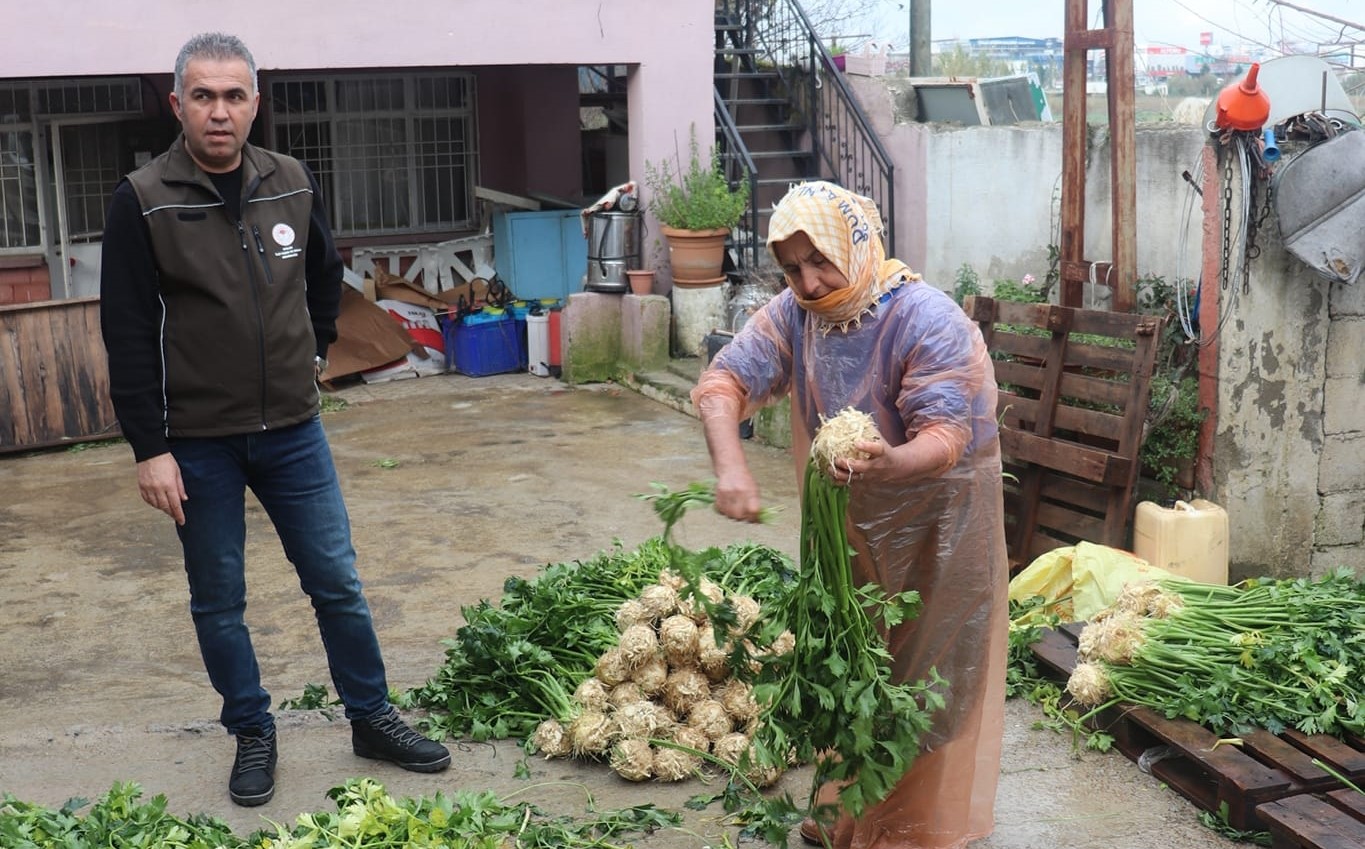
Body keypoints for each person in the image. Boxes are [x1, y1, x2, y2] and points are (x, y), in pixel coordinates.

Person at [99, 32, 450, 808]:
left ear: (255, 102)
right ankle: (253, 730)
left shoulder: (290, 181)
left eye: (233, 95)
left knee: (337, 581)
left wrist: (319, 349)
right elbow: (125, 329)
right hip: (198, 443)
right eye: (203, 96)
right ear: (177, 104)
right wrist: (149, 448)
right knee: (219, 598)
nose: (219, 112)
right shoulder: (144, 199)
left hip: (293, 430)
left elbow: (326, 272)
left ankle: (370, 715)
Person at [691, 181, 1008, 849]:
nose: (808, 282)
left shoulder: (926, 318)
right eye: (791, 268)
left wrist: (887, 462)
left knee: (930, 675)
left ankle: (907, 827)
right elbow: (722, 383)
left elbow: (945, 436)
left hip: (941, 519)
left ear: (855, 244)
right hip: (851, 522)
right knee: (852, 660)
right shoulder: (796, 314)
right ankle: (847, 807)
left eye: (819, 262)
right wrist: (730, 465)